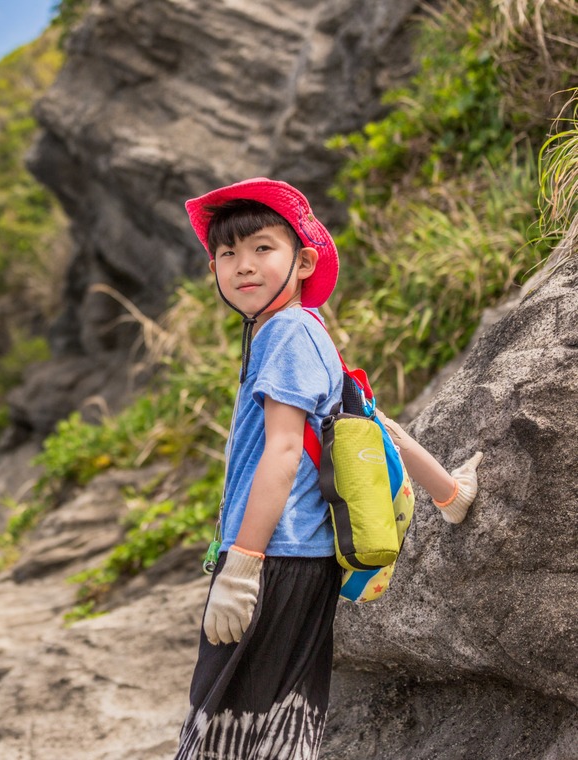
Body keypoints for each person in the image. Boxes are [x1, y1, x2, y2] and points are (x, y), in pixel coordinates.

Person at [173, 178, 482, 759]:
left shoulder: (286, 331)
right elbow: (369, 420)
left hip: (273, 560)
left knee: (221, 734)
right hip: (299, 564)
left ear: (303, 258)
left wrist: (241, 568)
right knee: (281, 729)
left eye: (263, 248)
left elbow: (285, 452)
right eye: (227, 254)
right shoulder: (303, 332)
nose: (243, 265)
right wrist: (449, 493)